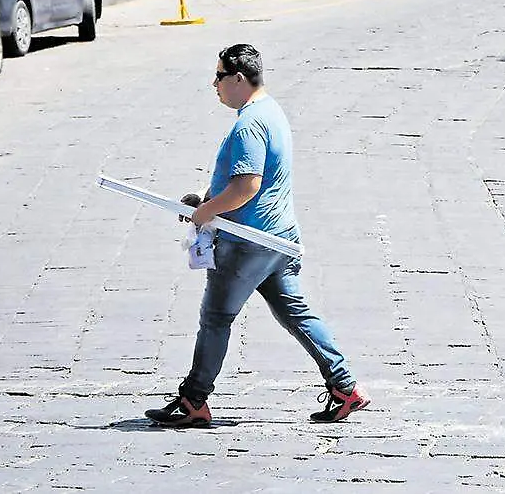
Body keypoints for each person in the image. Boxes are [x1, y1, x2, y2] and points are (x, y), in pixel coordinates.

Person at [145, 44, 370, 427]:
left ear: (238, 78)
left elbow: (248, 185)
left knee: (216, 316)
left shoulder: (248, 123)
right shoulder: (271, 111)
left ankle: (194, 400)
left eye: (219, 76)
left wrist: (204, 212)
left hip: (248, 241)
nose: (214, 84)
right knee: (295, 313)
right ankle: (345, 387)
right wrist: (204, 201)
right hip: (278, 238)